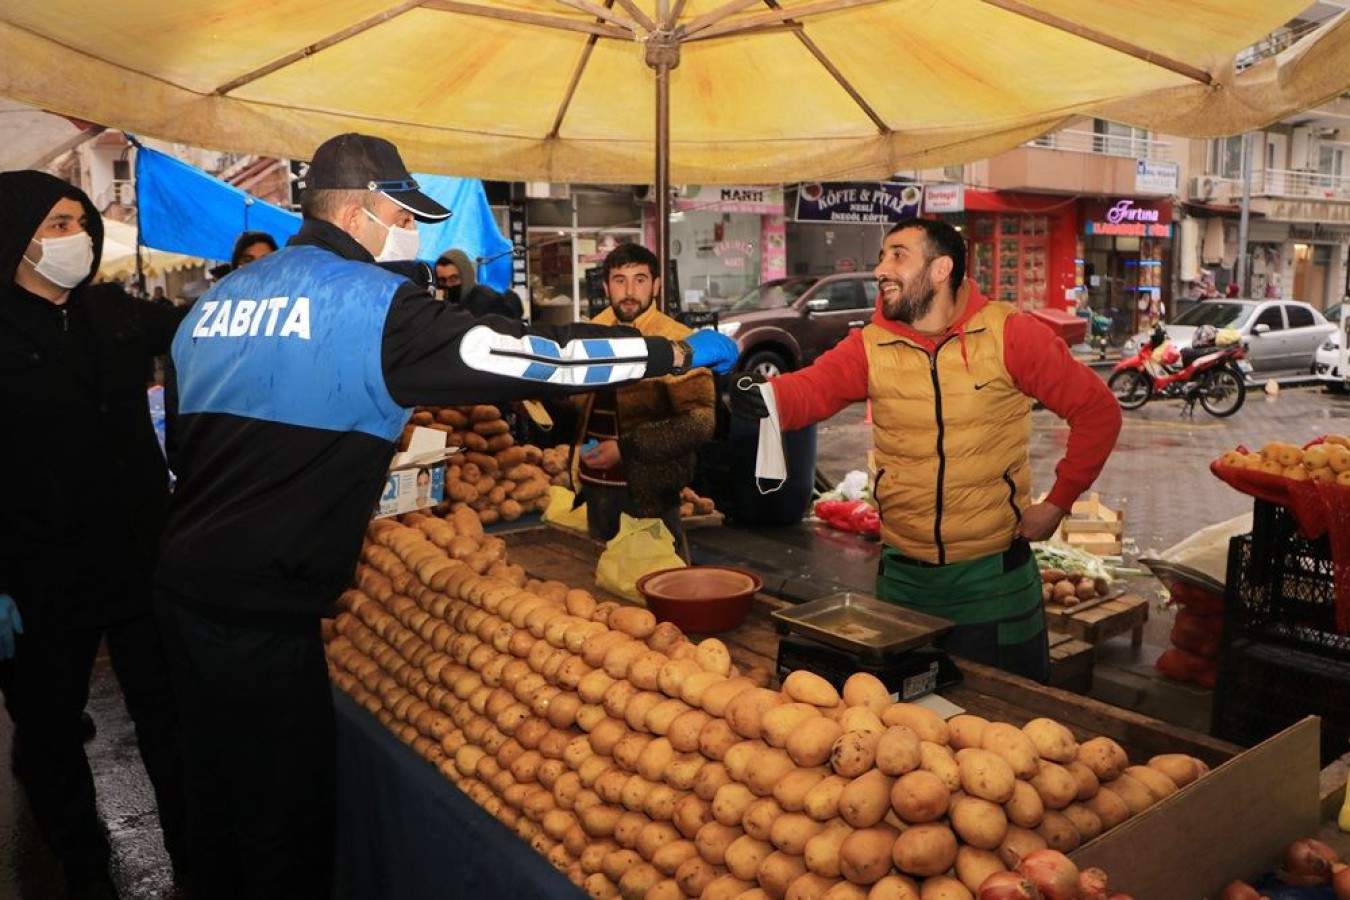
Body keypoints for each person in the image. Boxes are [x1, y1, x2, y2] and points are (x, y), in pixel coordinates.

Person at [154, 132, 737, 900]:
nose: (414, 236)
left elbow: (183, 447)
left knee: (209, 800)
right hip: (264, 609)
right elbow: (539, 357)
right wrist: (673, 354)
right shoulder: (371, 305)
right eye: (406, 218)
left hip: (180, 584)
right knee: (283, 823)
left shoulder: (216, 303)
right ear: (360, 214)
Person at [730, 218, 1121, 682]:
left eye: (898, 255)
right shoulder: (872, 344)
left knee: (1004, 711)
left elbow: (1098, 411)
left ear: (940, 269)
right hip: (903, 579)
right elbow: (814, 388)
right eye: (882, 257)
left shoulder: (1009, 334)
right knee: (905, 712)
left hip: (991, 579)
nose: (881, 269)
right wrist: (766, 397)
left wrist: (1058, 502)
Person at [0, 170, 188, 899]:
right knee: (49, 733)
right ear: (16, 238)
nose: (75, 235)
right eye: (56, 224)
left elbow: (198, 325)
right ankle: (83, 869)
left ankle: (194, 858)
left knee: (170, 722)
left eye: (80, 221)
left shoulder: (112, 311)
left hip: (140, 554)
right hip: (39, 569)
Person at [571, 243, 716, 552]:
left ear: (656, 285)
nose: (629, 291)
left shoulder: (678, 340)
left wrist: (626, 448)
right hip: (593, 486)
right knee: (602, 574)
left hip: (651, 494)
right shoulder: (588, 333)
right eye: (619, 280)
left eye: (640, 280)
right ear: (606, 286)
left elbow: (701, 422)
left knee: (660, 573)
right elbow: (576, 401)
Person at [435, 247, 524, 318]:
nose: (448, 285)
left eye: (453, 279)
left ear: (466, 277)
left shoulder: (486, 304)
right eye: (442, 280)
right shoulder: (448, 306)